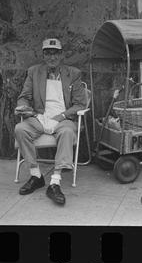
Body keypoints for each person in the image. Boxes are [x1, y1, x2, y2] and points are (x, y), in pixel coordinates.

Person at [14, 38, 87, 205]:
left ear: (61, 55)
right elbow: (24, 97)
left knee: (68, 132)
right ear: (43, 55)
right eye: (48, 53)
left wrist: (61, 116)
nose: (51, 57)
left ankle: (55, 182)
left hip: (63, 118)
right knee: (20, 129)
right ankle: (36, 175)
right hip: (40, 117)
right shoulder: (34, 72)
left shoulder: (73, 74)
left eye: (55, 53)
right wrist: (24, 108)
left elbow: (80, 104)